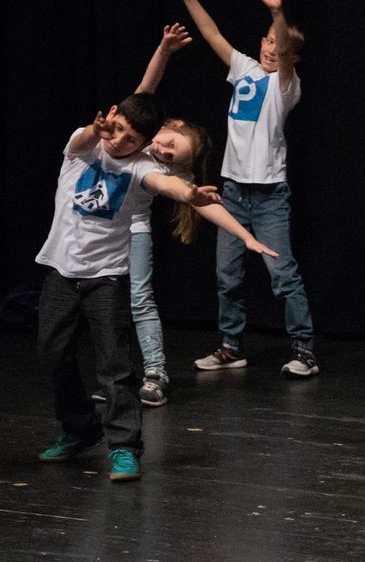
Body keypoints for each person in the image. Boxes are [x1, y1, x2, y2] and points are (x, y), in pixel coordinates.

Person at [35, 95, 277, 482]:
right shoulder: (86, 146)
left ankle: (124, 447)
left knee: (114, 367)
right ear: (110, 118)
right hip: (61, 272)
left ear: (143, 142)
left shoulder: (141, 167)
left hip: (107, 278)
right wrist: (97, 129)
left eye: (131, 139)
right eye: (116, 131)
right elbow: (85, 137)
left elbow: (167, 185)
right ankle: (80, 429)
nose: (119, 142)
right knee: (52, 355)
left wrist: (198, 201)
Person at [171, 0, 318, 378]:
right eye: (268, 40)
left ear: (292, 56)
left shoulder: (286, 86)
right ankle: (230, 346)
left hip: (269, 195)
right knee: (227, 275)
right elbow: (211, 32)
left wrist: (278, 12)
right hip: (233, 191)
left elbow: (284, 54)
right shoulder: (244, 70)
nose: (272, 48)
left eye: (280, 44)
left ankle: (304, 350)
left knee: (282, 274)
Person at [125, 22, 213, 407]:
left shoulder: (166, 169)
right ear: (171, 124)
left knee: (140, 299)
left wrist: (245, 236)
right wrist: (164, 49)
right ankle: (116, 374)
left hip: (133, 231)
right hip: (98, 230)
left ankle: (156, 372)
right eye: (169, 143)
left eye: (171, 156)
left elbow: (194, 197)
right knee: (103, 303)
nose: (162, 151)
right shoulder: (138, 133)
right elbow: (144, 91)